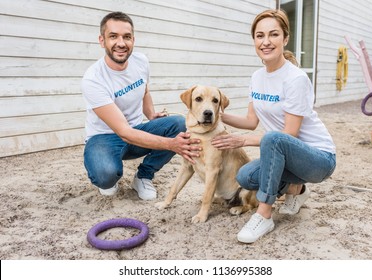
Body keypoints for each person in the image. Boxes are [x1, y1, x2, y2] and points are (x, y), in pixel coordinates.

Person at [211, 9, 336, 243]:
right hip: (286, 155)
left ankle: (264, 214)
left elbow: (289, 133)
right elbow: (251, 122)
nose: (266, 42)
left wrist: (243, 140)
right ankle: (297, 190)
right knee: (245, 176)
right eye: (259, 36)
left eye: (273, 34)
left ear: (285, 39)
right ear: (254, 41)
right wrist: (216, 115)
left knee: (272, 138)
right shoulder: (257, 77)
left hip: (319, 159)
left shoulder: (295, 79)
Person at [82, 12, 200, 200]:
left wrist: (151, 114)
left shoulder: (141, 61)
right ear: (102, 40)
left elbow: (144, 91)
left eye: (126, 37)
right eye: (113, 36)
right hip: (104, 138)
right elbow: (124, 132)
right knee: (106, 176)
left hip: (135, 130)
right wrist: (172, 144)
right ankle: (109, 177)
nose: (121, 43)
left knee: (178, 124)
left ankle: (143, 177)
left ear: (133, 40)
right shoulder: (93, 79)